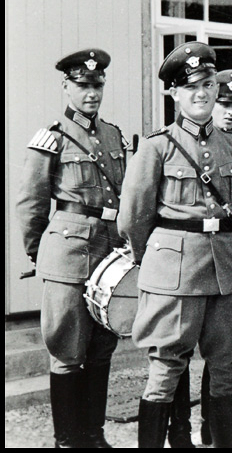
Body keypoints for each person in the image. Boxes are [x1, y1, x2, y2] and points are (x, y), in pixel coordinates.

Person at [119, 41, 232, 448]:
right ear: (174, 93)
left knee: (227, 365)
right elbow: (133, 217)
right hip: (172, 275)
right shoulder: (157, 146)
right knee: (165, 370)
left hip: (223, 271)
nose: (202, 93)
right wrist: (157, 261)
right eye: (191, 86)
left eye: (208, 84)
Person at [16, 49, 127, 448]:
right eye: (82, 85)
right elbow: (31, 202)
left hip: (108, 253)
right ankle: (68, 440)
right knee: (66, 347)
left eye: (97, 85)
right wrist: (38, 253)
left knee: (101, 346)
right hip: (66, 254)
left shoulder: (114, 135)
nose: (91, 93)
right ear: (66, 86)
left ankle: (93, 436)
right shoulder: (51, 137)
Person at [167, 68, 232, 448]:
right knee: (178, 351)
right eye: (225, 103)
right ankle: (179, 431)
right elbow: (141, 218)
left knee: (222, 350)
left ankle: (214, 428)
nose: (230, 111)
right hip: (182, 264)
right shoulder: (170, 143)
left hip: (222, 261)